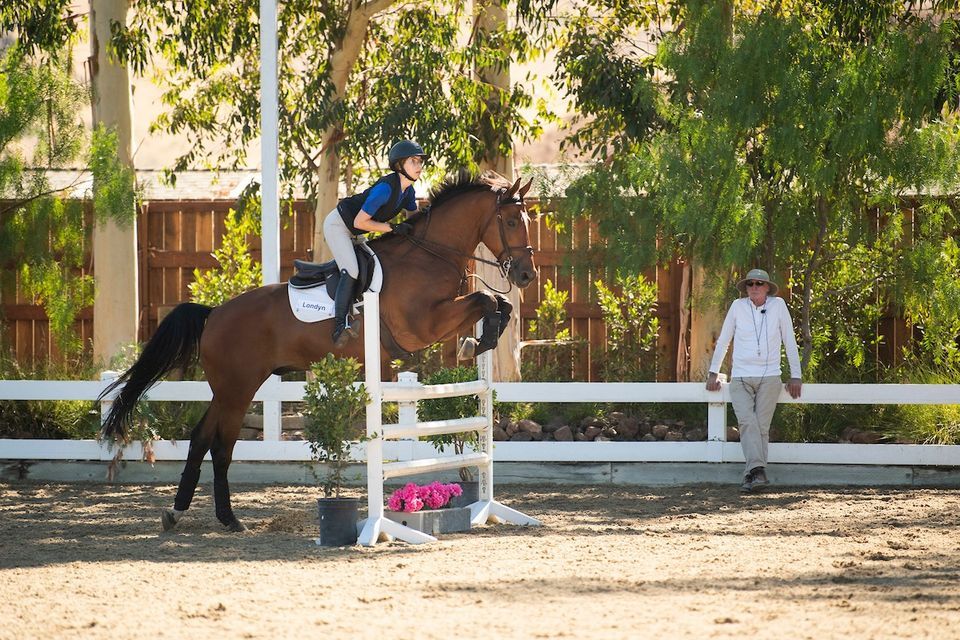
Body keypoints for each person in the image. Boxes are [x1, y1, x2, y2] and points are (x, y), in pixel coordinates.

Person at [705, 268, 802, 492]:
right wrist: (713, 371)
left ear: (768, 288)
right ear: (746, 288)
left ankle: (751, 476)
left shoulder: (778, 306)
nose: (754, 288)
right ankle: (758, 472)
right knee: (747, 422)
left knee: (761, 427)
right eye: (750, 284)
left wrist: (795, 375)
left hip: (770, 376)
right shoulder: (737, 307)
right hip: (740, 376)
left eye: (759, 284)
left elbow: (789, 340)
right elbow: (724, 340)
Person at [323, 140, 427, 347]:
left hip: (356, 232)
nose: (419, 166)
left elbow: (414, 220)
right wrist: (392, 228)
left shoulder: (408, 192)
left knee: (374, 264)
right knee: (352, 270)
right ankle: (339, 326)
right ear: (399, 166)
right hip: (339, 226)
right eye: (413, 161)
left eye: (420, 161)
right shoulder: (384, 190)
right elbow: (359, 221)